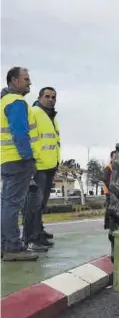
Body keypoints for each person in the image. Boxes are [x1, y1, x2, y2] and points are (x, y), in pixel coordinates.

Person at [1, 67, 40, 261]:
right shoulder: (16, 102)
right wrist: (28, 157)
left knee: (6, 203)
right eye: (26, 79)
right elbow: (19, 133)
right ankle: (13, 247)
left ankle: (5, 244)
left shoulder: (4, 101)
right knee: (12, 204)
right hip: (18, 160)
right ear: (14, 80)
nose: (29, 82)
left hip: (7, 159)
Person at [22, 87, 60, 250]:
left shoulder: (52, 117)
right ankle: (31, 238)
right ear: (39, 97)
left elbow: (54, 142)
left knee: (41, 204)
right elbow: (30, 138)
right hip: (38, 167)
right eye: (47, 96)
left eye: (53, 97)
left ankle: (38, 232)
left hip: (50, 165)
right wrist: (32, 163)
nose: (51, 99)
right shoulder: (35, 112)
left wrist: (57, 161)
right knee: (33, 204)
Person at [102, 150, 116, 229]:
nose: (116, 159)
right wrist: (111, 189)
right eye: (115, 157)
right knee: (109, 207)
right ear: (111, 158)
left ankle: (113, 224)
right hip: (108, 191)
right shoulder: (108, 168)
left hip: (114, 191)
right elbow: (105, 180)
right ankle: (107, 225)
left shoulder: (116, 168)